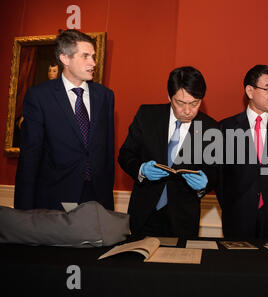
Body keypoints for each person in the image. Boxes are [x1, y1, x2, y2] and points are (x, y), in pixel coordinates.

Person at [14, 29, 115, 211]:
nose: (93, 63)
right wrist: (23, 211)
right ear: (65, 59)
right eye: (85, 56)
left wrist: (108, 204)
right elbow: (30, 157)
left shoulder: (105, 96)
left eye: (93, 56)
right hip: (54, 199)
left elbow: (107, 151)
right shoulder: (39, 96)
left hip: (96, 198)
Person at [118, 66, 219, 237]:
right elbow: (126, 154)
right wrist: (141, 169)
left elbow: (215, 171)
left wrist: (205, 185)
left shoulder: (211, 128)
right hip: (143, 214)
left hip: (183, 219)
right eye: (180, 103)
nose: (188, 111)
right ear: (169, 97)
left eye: (195, 103)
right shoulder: (147, 115)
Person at [218, 65, 268, 240]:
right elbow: (221, 177)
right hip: (238, 219)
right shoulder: (226, 128)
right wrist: (233, 206)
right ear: (250, 91)